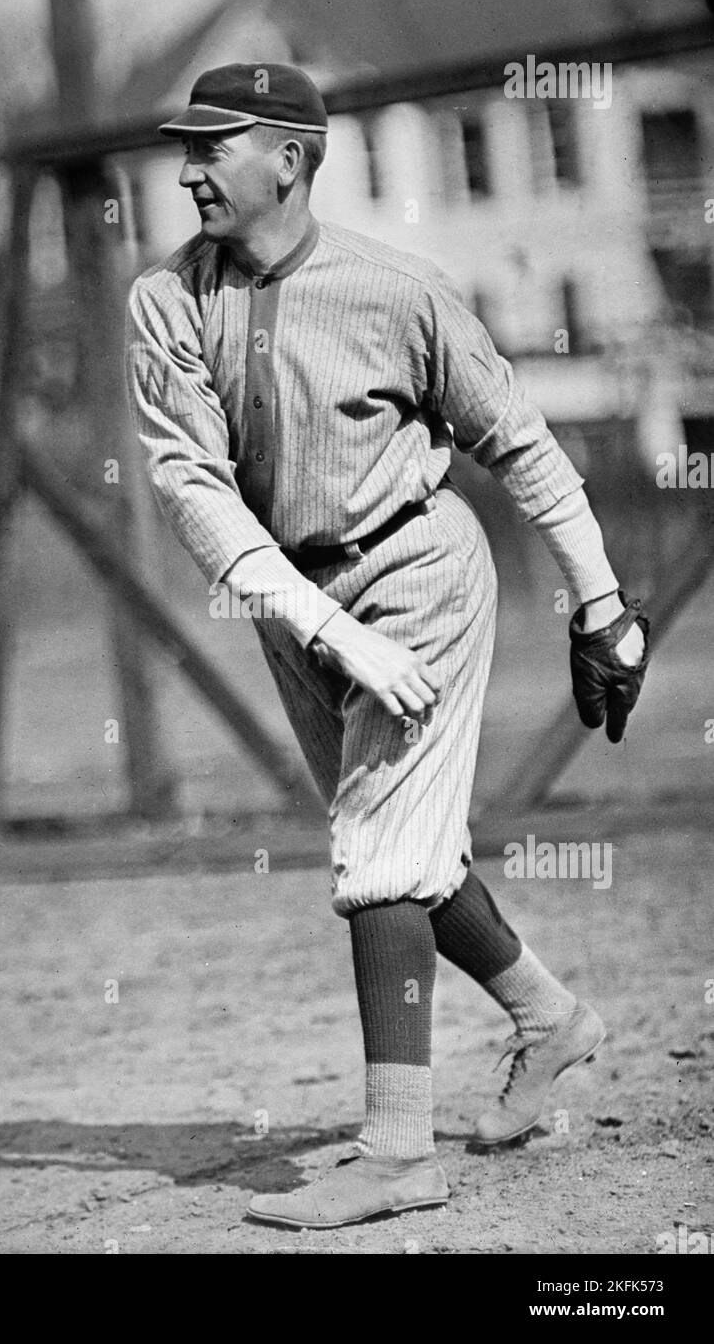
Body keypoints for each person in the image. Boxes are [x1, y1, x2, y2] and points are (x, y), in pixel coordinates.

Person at [125, 63, 649, 1229]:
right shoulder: (164, 302)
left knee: (375, 849)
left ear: (292, 161)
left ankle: (398, 1151)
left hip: (416, 571)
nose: (189, 168)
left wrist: (600, 603)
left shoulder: (398, 289)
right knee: (404, 845)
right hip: (294, 601)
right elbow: (191, 488)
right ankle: (550, 1020)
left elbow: (520, 444)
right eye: (187, 147)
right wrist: (319, 629)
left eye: (215, 146)